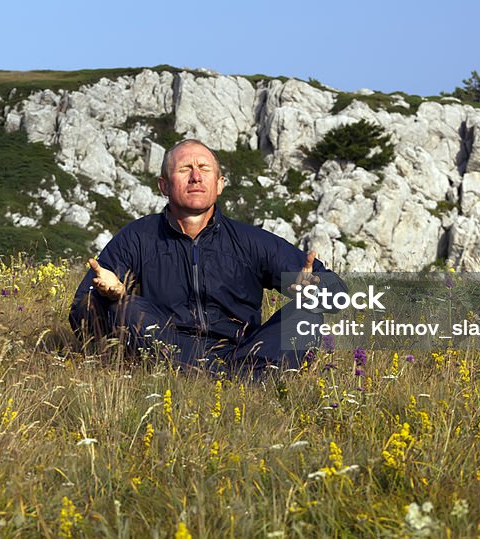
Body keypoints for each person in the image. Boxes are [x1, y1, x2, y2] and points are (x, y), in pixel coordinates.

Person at [69, 138, 346, 375]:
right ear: (163, 186)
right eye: (184, 169)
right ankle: (216, 380)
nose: (196, 177)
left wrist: (314, 291)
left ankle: (246, 383)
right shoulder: (138, 237)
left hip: (245, 352)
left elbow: (338, 296)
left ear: (220, 183)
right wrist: (107, 297)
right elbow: (80, 313)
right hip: (171, 350)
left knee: (307, 316)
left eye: (204, 169)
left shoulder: (251, 241)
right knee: (124, 309)